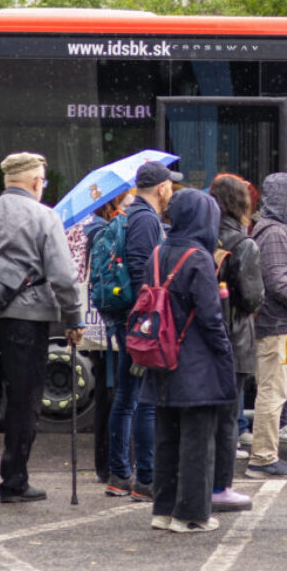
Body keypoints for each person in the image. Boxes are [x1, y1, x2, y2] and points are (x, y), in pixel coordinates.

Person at [0, 152, 85, 503]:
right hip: (26, 320)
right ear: (36, 182)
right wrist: (73, 318)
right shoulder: (45, 216)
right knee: (23, 399)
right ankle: (14, 481)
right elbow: (63, 275)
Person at [139, 189, 236, 532]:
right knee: (198, 439)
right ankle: (191, 514)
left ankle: (163, 510)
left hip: (159, 356)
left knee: (166, 436)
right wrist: (225, 354)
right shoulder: (199, 257)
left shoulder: (157, 252)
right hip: (195, 360)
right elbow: (211, 318)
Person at [107, 162, 181, 500]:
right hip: (139, 321)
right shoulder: (146, 218)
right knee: (143, 401)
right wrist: (146, 322)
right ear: (162, 187)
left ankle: (120, 474)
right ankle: (145, 479)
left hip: (129, 318)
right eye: (170, 185)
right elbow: (141, 268)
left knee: (127, 397)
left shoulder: (132, 214)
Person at [246, 173, 287, 479]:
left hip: (275, 324)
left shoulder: (277, 230)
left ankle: (265, 454)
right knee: (273, 393)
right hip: (274, 327)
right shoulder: (274, 233)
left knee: (274, 392)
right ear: (278, 197)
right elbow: (279, 283)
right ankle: (262, 458)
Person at [209, 174, 265, 512]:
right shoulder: (244, 244)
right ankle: (221, 486)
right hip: (237, 339)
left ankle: (201, 481)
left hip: (206, 337)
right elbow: (254, 298)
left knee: (206, 416)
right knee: (229, 418)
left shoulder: (204, 236)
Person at [82, 190, 131, 483]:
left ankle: (106, 462)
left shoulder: (91, 229)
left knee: (108, 393)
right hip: (111, 321)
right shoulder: (107, 232)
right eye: (126, 203)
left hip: (99, 319)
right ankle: (113, 463)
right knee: (115, 394)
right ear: (112, 204)